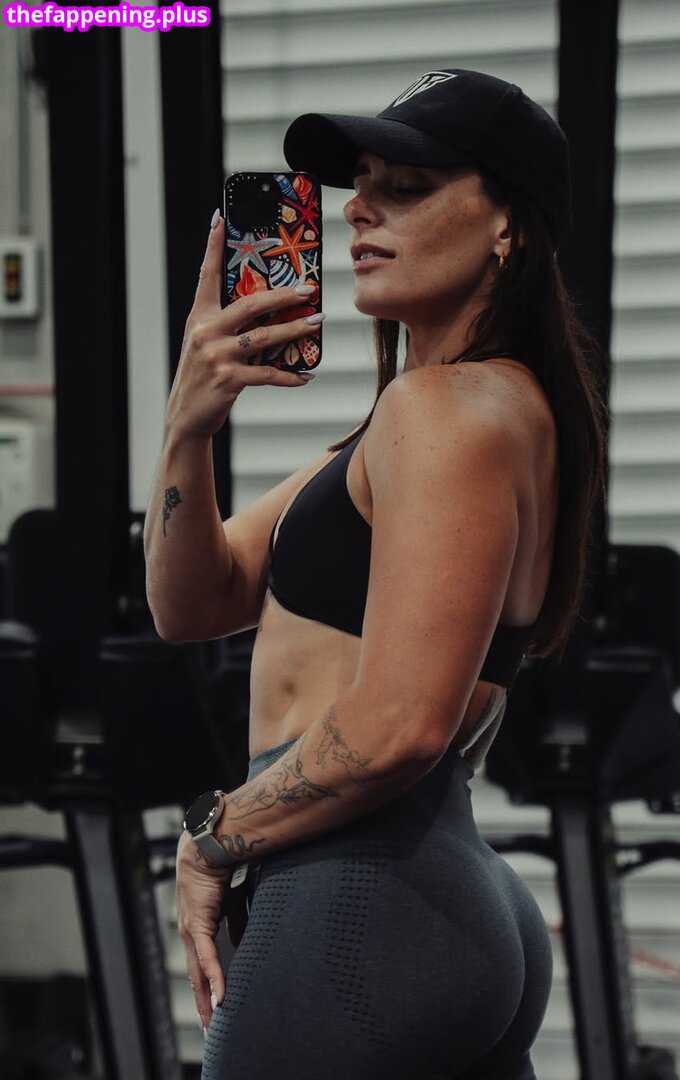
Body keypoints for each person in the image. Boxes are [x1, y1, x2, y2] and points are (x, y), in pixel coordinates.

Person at [144, 68, 607, 1079]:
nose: (358, 208)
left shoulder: (443, 412)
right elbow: (193, 602)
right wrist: (189, 425)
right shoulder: (445, 416)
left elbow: (400, 725)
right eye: (360, 183)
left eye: (407, 187)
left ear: (507, 228)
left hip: (359, 896)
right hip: (426, 895)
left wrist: (214, 835)